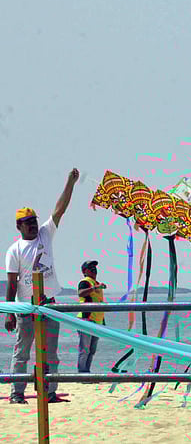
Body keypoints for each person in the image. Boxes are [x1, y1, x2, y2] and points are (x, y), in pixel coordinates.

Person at [4, 168, 79, 404]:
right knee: (22, 353)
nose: (32, 226)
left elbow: (60, 209)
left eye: (34, 221)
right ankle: (17, 394)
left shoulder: (46, 234)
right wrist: (10, 313)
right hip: (26, 307)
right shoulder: (14, 250)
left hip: (49, 304)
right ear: (19, 227)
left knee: (50, 354)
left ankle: (49, 393)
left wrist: (70, 182)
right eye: (27, 223)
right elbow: (11, 284)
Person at [76, 260, 107, 373]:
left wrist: (102, 322)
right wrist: (94, 288)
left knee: (92, 350)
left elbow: (99, 302)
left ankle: (87, 372)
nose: (94, 270)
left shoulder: (96, 283)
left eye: (95, 267)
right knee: (84, 349)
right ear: (85, 271)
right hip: (86, 320)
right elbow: (81, 293)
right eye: (91, 268)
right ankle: (82, 373)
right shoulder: (85, 282)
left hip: (96, 321)